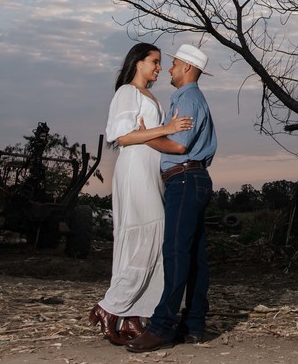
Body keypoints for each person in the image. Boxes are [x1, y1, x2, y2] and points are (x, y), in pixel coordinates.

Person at [89, 42, 193, 345]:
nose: (159, 68)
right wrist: (166, 128)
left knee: (153, 241)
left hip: (151, 171)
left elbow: (150, 136)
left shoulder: (151, 97)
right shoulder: (127, 92)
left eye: (160, 62)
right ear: (138, 62)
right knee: (149, 235)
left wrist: (171, 138)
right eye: (155, 61)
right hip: (134, 169)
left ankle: (133, 317)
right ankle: (109, 307)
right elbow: (121, 136)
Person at [127, 43, 217, 353]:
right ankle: (194, 326)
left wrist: (148, 136)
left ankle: (162, 327)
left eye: (175, 64)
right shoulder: (191, 98)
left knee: (176, 252)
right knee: (193, 256)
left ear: (187, 68)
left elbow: (178, 146)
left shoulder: (188, 99)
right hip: (193, 179)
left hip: (185, 179)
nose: (169, 68)